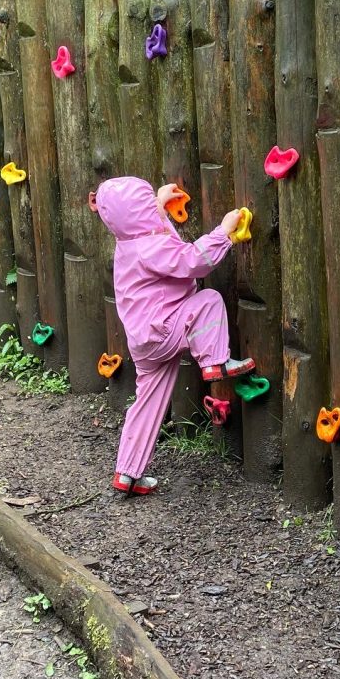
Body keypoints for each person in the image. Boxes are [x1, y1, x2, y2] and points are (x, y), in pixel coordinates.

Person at [90, 177, 255, 496]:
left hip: (144, 341)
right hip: (164, 327)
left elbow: (150, 230)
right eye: (147, 200)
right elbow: (191, 261)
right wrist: (223, 233)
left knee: (147, 402)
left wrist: (159, 207)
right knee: (208, 301)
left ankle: (127, 473)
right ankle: (214, 362)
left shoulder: (128, 241)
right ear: (139, 211)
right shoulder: (150, 245)